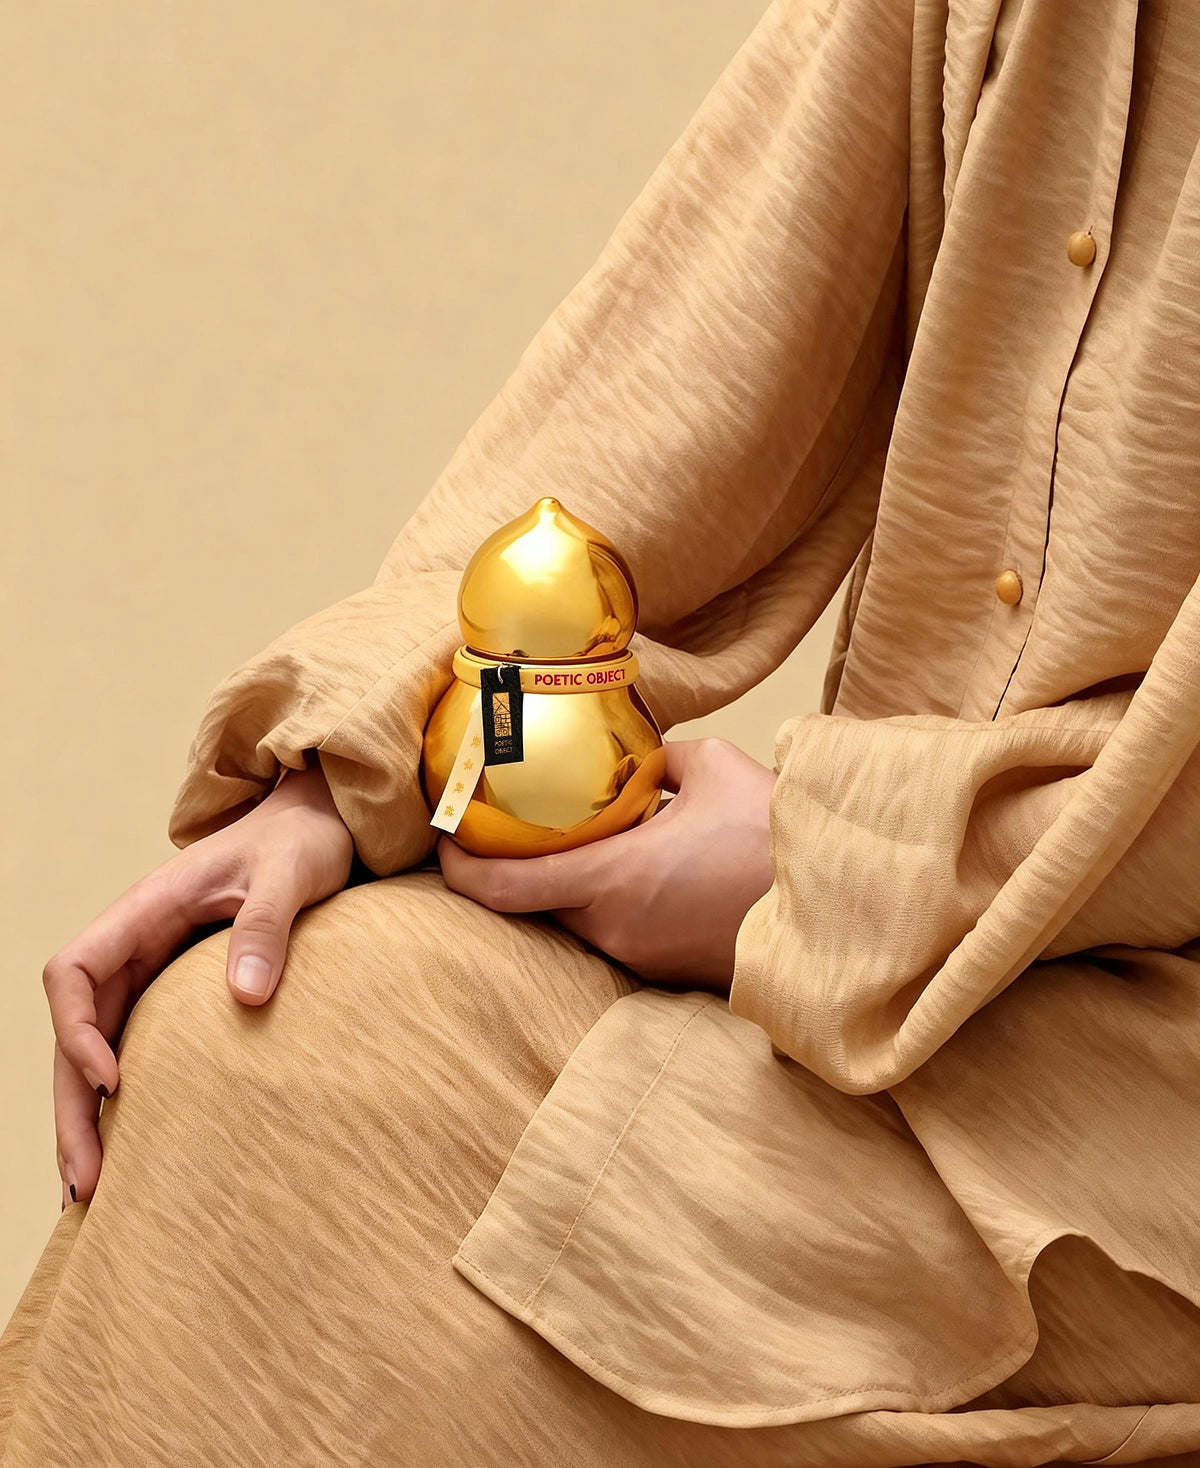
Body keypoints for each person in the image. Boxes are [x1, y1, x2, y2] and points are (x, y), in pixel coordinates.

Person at [5, 0, 1200, 1462]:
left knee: (342, 1147)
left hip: (1143, 1106)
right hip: (895, 1007)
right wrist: (364, 764)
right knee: (255, 1029)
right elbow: (669, 386)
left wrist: (828, 869)